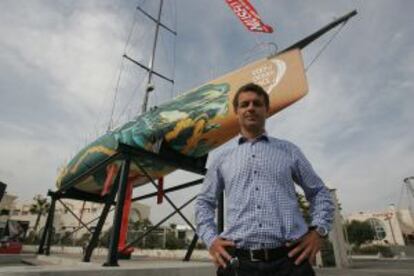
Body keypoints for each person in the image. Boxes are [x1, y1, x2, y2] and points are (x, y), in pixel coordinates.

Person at [195, 83, 335, 276]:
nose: (250, 107)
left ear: (266, 110)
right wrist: (211, 240)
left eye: (257, 103)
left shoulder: (289, 151)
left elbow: (319, 192)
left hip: (291, 262)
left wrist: (319, 232)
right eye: (244, 104)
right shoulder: (222, 159)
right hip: (238, 264)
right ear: (237, 112)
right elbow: (204, 202)